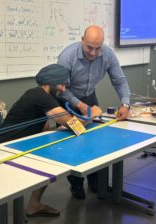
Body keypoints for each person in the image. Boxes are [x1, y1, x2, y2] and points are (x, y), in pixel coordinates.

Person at [0, 64, 102, 217]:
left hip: (19, 145)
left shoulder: (42, 96)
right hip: (0, 149)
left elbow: (44, 127)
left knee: (49, 157)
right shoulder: (40, 96)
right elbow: (76, 126)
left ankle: (34, 204)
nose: (63, 89)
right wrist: (93, 114)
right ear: (51, 83)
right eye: (61, 84)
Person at [57, 25, 131, 199]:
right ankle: (75, 184)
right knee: (72, 142)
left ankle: (95, 181)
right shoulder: (67, 56)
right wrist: (80, 105)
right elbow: (61, 89)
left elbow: (119, 81)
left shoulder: (107, 54)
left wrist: (125, 105)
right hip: (67, 100)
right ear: (82, 40)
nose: (93, 52)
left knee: (96, 140)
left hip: (89, 96)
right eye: (89, 47)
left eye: (98, 48)